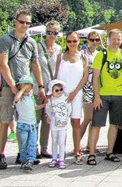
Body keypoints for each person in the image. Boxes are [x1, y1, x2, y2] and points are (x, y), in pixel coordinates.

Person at [0, 11, 45, 170]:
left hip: (25, 87)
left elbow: (35, 65)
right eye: (22, 22)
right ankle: (1, 155)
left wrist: (41, 86)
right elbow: (3, 64)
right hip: (7, 85)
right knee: (4, 120)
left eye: (28, 23)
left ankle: (22, 155)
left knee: (23, 122)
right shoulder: (5, 39)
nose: (25, 25)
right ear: (15, 22)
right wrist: (12, 86)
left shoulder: (31, 42)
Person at [88, 29, 122, 165]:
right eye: (114, 39)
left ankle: (110, 151)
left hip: (119, 95)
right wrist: (96, 96)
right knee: (96, 125)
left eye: (119, 39)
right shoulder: (101, 55)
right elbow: (95, 78)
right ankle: (91, 154)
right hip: (102, 95)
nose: (116, 42)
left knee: (114, 124)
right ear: (109, 39)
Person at [54, 32, 89, 165]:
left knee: (76, 123)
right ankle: (58, 153)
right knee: (60, 124)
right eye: (69, 41)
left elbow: (85, 77)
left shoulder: (83, 57)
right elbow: (55, 75)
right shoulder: (61, 56)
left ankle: (77, 151)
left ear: (78, 41)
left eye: (74, 41)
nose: (72, 44)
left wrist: (75, 92)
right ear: (66, 42)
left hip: (76, 94)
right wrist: (57, 92)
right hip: (61, 94)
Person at [33, 20, 63, 160]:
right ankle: (33, 148)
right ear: (46, 33)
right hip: (38, 88)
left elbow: (58, 70)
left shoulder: (58, 49)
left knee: (47, 120)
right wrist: (41, 87)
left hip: (51, 91)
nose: (52, 35)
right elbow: (34, 66)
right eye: (49, 32)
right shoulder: (38, 46)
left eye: (55, 33)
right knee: (35, 119)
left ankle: (44, 148)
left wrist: (54, 90)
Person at [14, 76, 44, 172]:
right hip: (23, 125)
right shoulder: (20, 97)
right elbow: (16, 99)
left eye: (29, 85)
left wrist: (45, 105)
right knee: (24, 144)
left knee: (32, 143)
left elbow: (34, 108)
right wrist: (22, 89)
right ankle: (23, 160)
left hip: (32, 125)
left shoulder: (31, 98)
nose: (27, 87)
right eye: (24, 84)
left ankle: (30, 160)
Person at [80, 31, 103, 154]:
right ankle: (77, 143)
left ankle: (90, 144)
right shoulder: (83, 54)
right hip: (87, 87)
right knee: (88, 117)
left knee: (95, 118)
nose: (94, 42)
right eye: (92, 39)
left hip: (98, 88)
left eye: (97, 40)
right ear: (87, 40)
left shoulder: (100, 53)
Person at [44, 80, 70, 169]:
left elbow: (69, 109)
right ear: (52, 91)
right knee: (54, 141)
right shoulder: (50, 101)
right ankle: (54, 158)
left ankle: (61, 159)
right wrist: (51, 117)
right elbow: (47, 109)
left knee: (62, 142)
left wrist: (65, 117)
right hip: (54, 124)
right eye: (56, 90)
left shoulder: (65, 99)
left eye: (61, 89)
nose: (59, 92)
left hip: (63, 124)